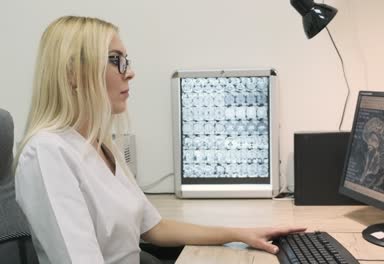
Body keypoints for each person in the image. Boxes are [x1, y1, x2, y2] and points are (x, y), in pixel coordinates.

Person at [14, 16, 305, 264]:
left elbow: (155, 228)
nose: (130, 72)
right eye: (116, 60)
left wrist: (239, 234)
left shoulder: (102, 144)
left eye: (126, 60)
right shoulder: (47, 153)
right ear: (73, 73)